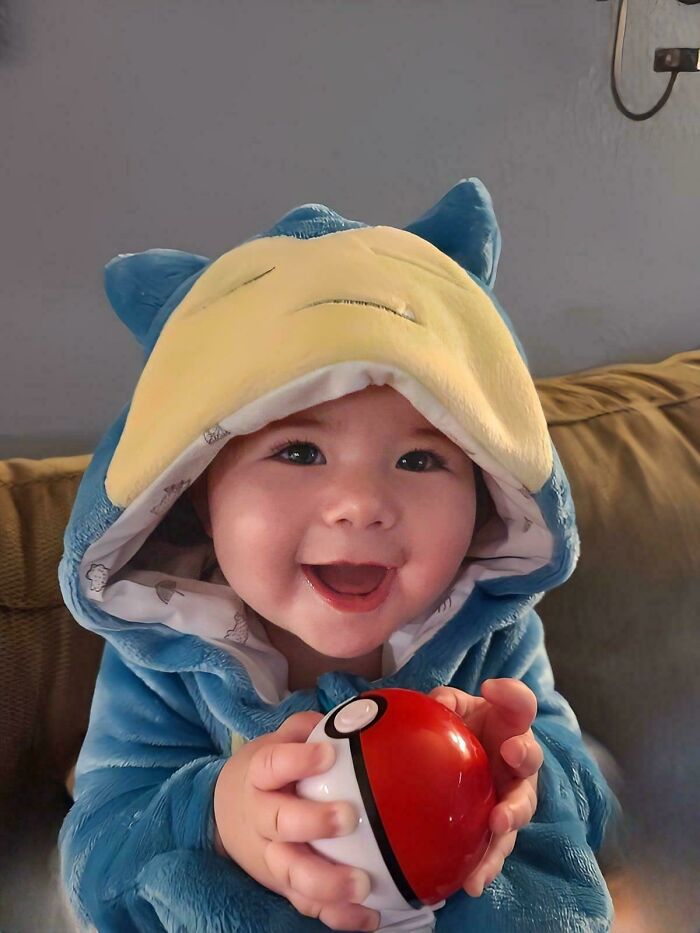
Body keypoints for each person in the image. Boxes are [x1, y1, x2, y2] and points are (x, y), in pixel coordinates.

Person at [58, 178, 617, 932]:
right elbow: (97, 849)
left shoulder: (492, 630)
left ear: (487, 492)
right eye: (299, 449)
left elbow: (595, 807)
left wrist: (524, 773)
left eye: (421, 461)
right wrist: (217, 812)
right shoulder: (167, 652)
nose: (361, 502)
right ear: (194, 490)